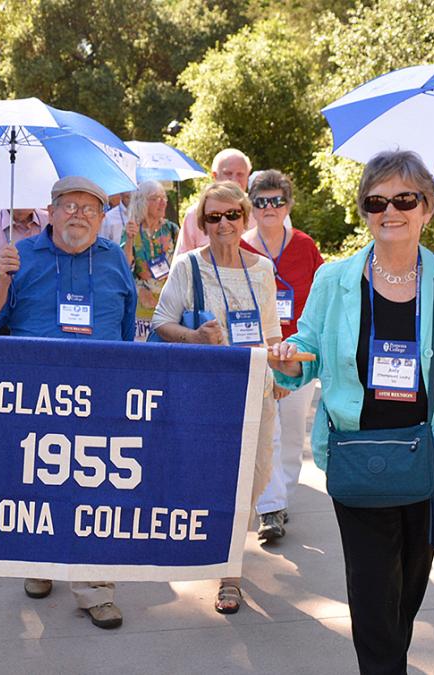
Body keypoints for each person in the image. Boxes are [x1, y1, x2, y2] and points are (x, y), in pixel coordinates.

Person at [269, 150, 434, 674]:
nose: (390, 210)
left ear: (426, 207)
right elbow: (308, 347)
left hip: (433, 451)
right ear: (364, 209)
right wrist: (289, 358)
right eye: (377, 200)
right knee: (374, 587)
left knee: (411, 582)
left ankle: (390, 658)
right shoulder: (337, 279)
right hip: (358, 451)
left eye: (404, 199)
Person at [0, 176, 135, 629]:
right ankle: (40, 563)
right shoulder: (18, 255)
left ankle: (96, 589)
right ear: (51, 210)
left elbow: (125, 327)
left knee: (96, 490)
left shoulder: (113, 260)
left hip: (100, 393)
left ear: (102, 218)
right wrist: (2, 280)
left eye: (90, 208)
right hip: (36, 396)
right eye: (70, 206)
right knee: (38, 484)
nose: (79, 215)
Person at [151, 181, 280, 615]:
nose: (223, 224)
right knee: (214, 479)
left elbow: (273, 331)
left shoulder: (262, 269)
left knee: (251, 479)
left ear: (245, 217)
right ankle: (220, 560)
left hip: (253, 391)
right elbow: (161, 323)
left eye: (231, 215)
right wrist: (194, 336)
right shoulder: (188, 266)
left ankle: (229, 563)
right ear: (202, 223)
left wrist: (278, 371)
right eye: (213, 217)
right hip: (206, 398)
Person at [240, 170, 325, 542]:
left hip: (297, 355)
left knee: (291, 432)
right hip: (257, 353)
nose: (269, 207)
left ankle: (283, 496)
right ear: (251, 208)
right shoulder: (241, 247)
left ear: (288, 206)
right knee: (264, 431)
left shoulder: (305, 245)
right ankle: (270, 507)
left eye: (276, 201)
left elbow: (321, 298)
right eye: (261, 202)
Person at [121, 180, 180, 340]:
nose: (162, 202)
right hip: (140, 308)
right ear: (142, 201)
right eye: (155, 198)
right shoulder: (132, 229)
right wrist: (130, 239)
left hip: (168, 305)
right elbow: (125, 266)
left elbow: (181, 265)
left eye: (164, 197)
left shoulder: (172, 229)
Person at [174, 148, 253, 255]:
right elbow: (181, 262)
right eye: (228, 173)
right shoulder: (195, 214)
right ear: (215, 176)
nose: (234, 180)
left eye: (240, 174)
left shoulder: (259, 212)